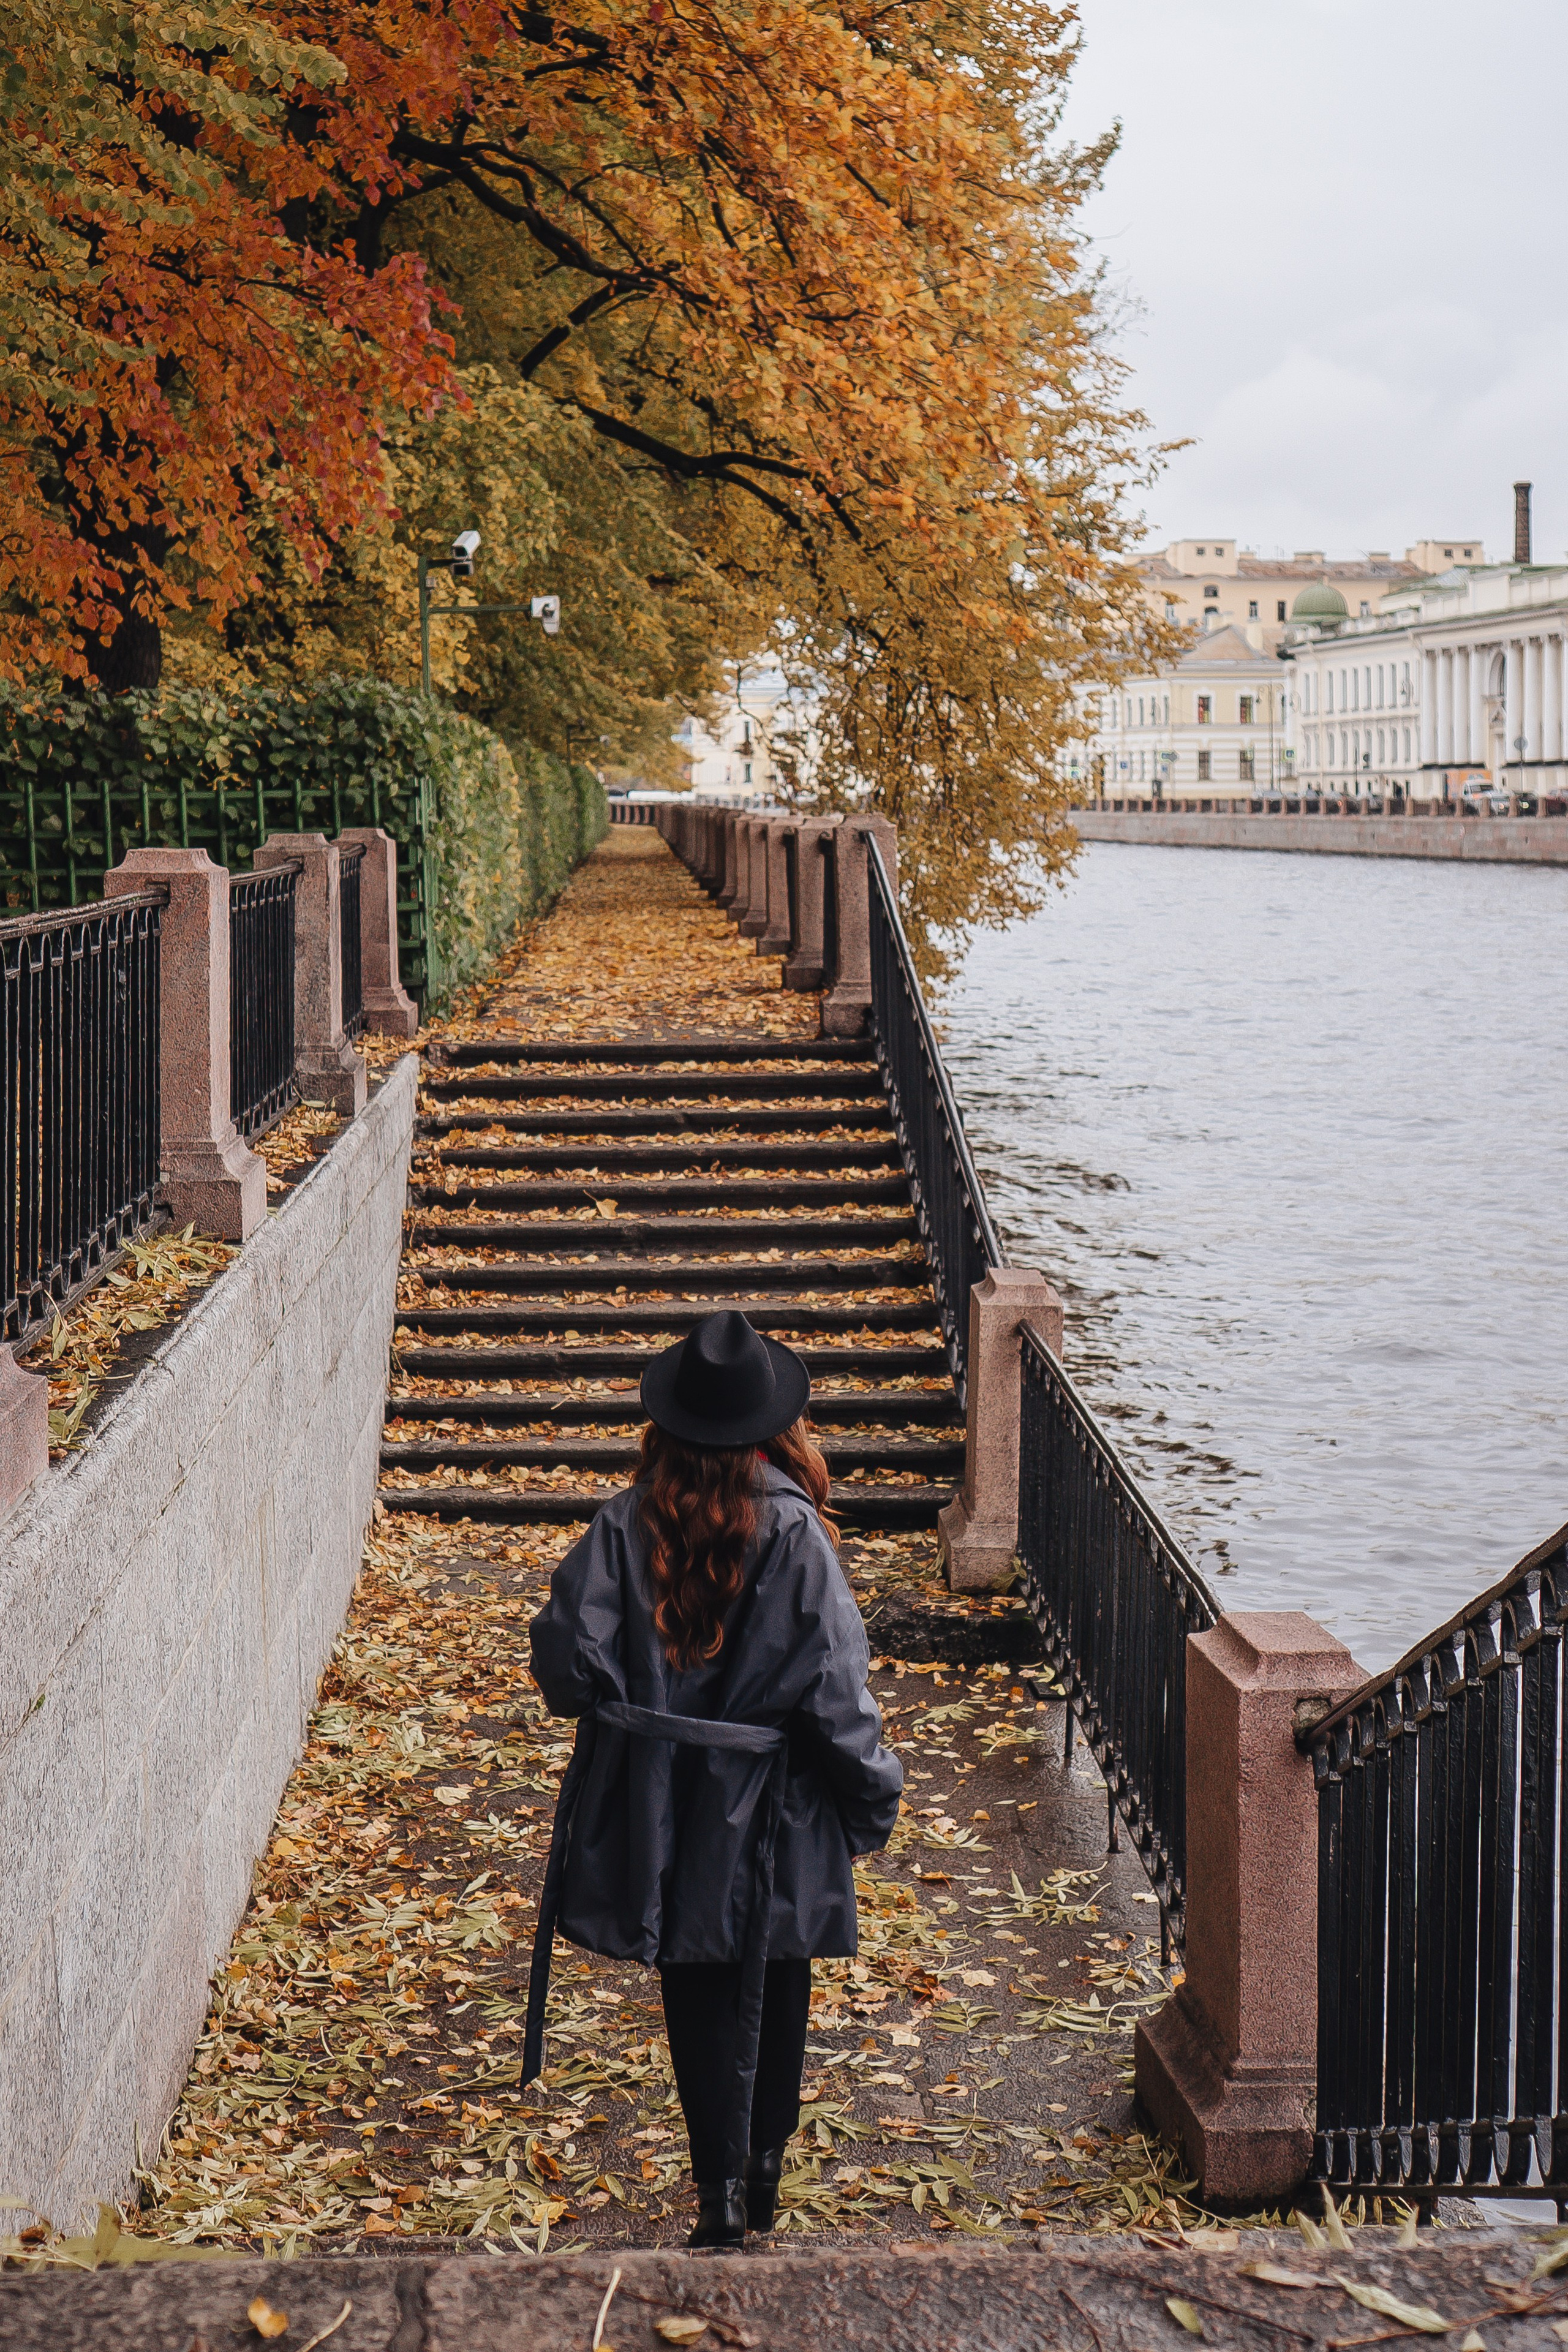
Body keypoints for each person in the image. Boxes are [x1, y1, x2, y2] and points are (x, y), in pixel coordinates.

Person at [526, 1308, 903, 2250]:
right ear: (776, 1429)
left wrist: (631, 1718)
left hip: (664, 1805)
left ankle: (720, 2201)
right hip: (779, 1806)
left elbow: (564, 1661)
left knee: (696, 1987)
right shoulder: (797, 1534)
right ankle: (761, 2185)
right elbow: (834, 1690)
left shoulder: (625, 1523)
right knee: (776, 1980)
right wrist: (872, 1794)